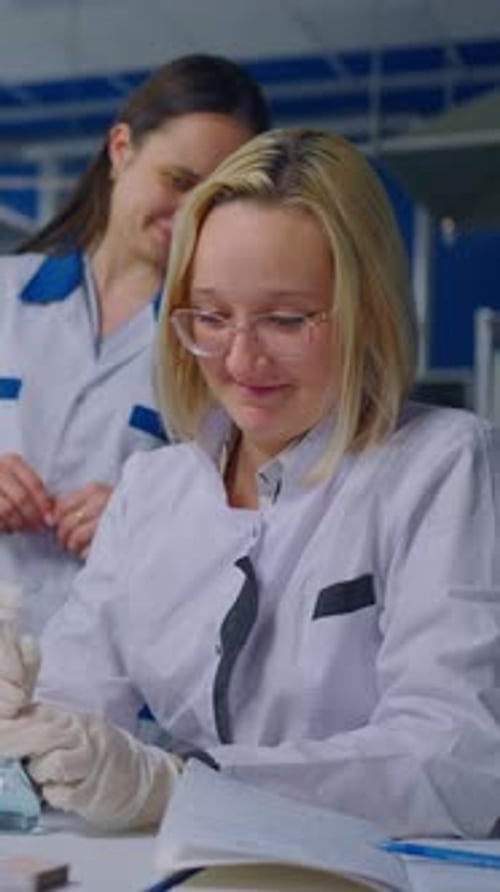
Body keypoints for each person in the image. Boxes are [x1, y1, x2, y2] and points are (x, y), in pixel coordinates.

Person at [0, 128, 499, 838]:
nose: (239, 358)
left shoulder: (442, 467)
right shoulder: (154, 487)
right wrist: (24, 725)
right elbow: (81, 702)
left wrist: (187, 785)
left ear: (369, 310)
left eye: (287, 319)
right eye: (210, 315)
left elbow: (456, 758)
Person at [0, 53, 269, 635]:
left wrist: (153, 521)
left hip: (121, 678)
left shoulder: (230, 348)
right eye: (178, 181)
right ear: (121, 150)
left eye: (218, 194)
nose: (192, 209)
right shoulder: (5, 294)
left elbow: (264, 523)